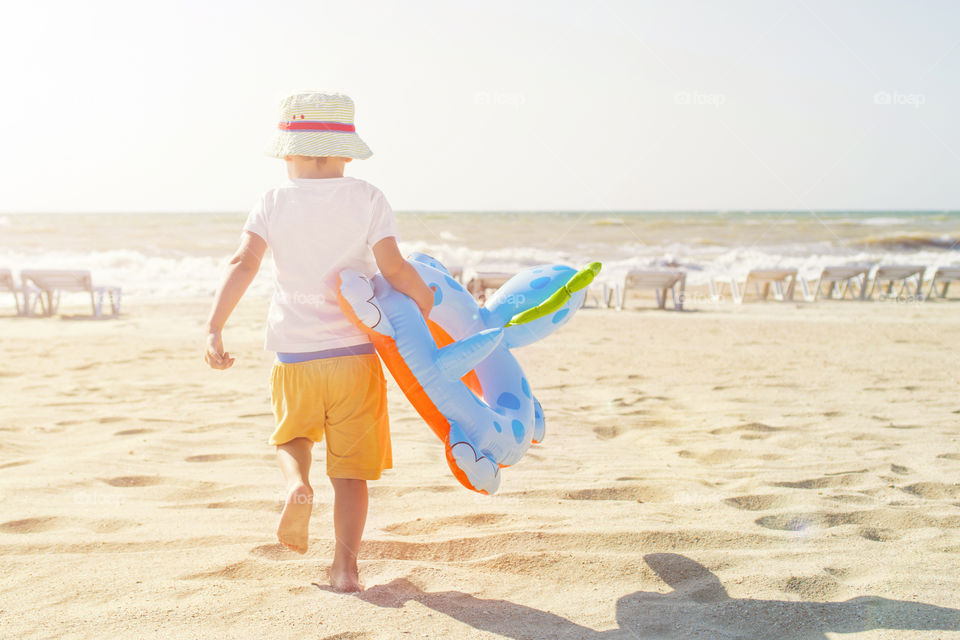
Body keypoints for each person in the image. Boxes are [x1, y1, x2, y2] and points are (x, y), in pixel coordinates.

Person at [203, 91, 434, 592]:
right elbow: (394, 266)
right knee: (352, 474)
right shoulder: (368, 197)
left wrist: (214, 325)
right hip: (355, 355)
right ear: (347, 152)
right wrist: (425, 299)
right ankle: (345, 569)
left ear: (288, 151)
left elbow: (242, 263)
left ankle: (296, 485)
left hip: (295, 354)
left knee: (292, 436)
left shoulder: (272, 200)